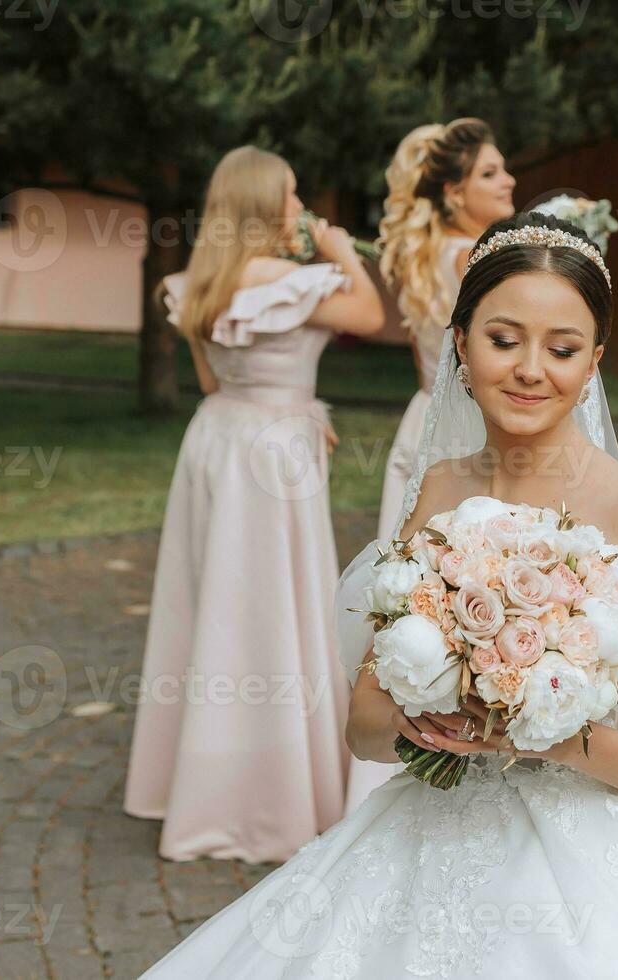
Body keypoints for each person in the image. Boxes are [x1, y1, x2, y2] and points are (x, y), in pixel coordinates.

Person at [137, 213, 618, 977]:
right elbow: (362, 727)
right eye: (502, 339)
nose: (530, 369)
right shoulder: (440, 490)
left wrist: (540, 731)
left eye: (561, 349)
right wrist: (433, 713)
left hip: (585, 857)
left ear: (593, 363)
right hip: (428, 830)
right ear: (460, 342)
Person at [123, 146, 384, 863]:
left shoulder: (203, 281)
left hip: (218, 442)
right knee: (271, 610)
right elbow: (367, 312)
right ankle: (271, 794)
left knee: (214, 607)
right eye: (293, 197)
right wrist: (341, 251)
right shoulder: (286, 278)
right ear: (266, 206)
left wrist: (302, 403)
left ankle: (207, 782)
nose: (302, 211)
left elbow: (213, 383)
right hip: (272, 455)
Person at [352, 118, 516, 813]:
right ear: (452, 194)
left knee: (412, 590)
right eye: (489, 173)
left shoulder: (423, 253)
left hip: (420, 420)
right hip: (465, 427)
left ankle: (405, 714)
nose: (507, 180)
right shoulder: (475, 259)